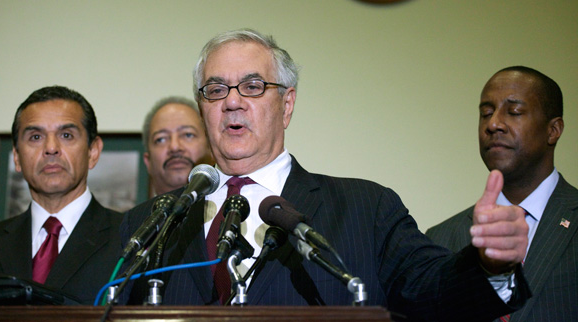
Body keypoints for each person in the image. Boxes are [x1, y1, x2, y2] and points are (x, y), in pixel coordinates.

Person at [119, 29, 530, 321]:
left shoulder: (367, 209)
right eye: (215, 89)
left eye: (253, 86)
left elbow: (432, 292)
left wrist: (491, 267)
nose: (232, 102)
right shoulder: (149, 224)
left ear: (287, 104)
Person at [426, 66, 576, 321]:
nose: (493, 124)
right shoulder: (440, 238)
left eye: (514, 111)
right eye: (486, 113)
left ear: (553, 130)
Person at [0, 86, 123, 304]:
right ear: (16, 157)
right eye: (36, 137)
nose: (51, 148)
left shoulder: (130, 239)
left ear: (93, 151)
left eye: (66, 135)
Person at [142, 96, 213, 195]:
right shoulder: (135, 211)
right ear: (147, 161)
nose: (174, 147)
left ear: (211, 149)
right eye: (161, 139)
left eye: (188, 135)